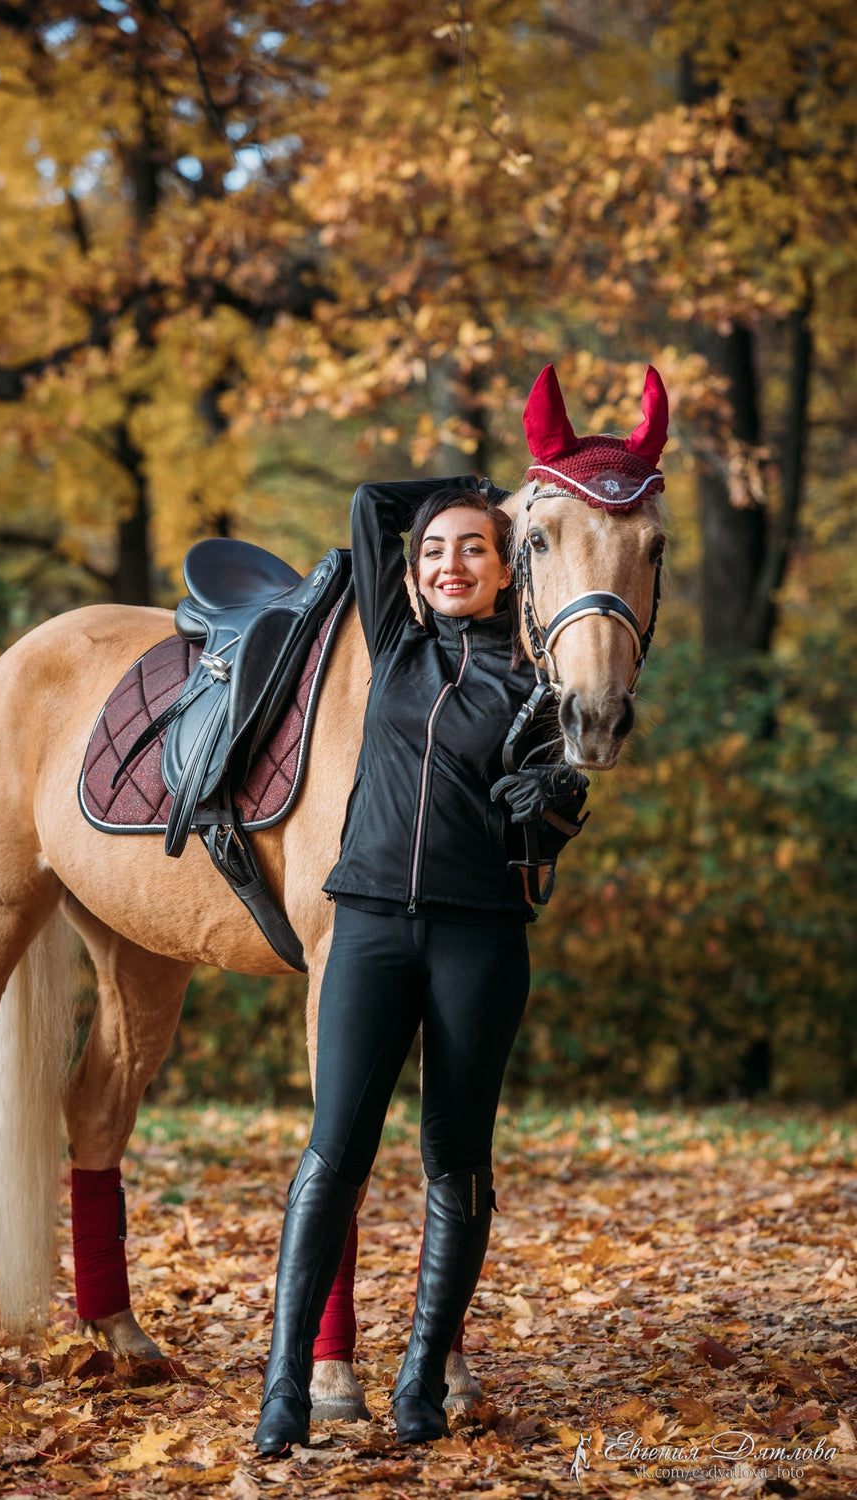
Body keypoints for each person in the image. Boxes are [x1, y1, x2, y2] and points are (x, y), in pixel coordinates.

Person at [253, 474, 588, 1454]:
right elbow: (367, 505)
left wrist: (558, 797)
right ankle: (283, 1389)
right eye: (437, 548)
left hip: (478, 939)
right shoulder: (393, 642)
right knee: (333, 1154)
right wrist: (471, 493)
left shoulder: (539, 684)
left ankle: (417, 1387)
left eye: (474, 549)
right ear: (415, 571)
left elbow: (556, 829)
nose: (450, 563)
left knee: (458, 1161)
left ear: (503, 572)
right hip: (364, 928)